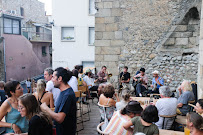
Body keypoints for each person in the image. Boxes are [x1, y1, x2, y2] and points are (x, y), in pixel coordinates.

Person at [41, 67, 77, 135]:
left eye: (53, 77)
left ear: (60, 78)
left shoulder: (67, 95)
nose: (52, 80)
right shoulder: (64, 92)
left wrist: (46, 108)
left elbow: (60, 118)